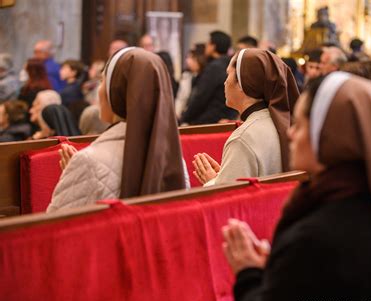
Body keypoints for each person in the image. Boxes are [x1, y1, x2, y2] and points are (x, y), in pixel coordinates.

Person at [222, 72, 371, 301]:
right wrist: (280, 270)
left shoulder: (314, 237)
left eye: (300, 126)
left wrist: (248, 273)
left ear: (329, 136)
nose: (290, 133)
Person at [47, 48, 188, 212]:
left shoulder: (87, 162)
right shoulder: (173, 158)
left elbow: (54, 230)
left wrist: (76, 175)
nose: (99, 91)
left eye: (102, 82)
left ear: (118, 93)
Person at [192, 48, 298, 186]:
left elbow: (231, 201)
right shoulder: (284, 124)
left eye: (228, 75)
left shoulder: (243, 138)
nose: (225, 83)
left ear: (243, 83)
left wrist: (212, 183)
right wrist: (224, 176)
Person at [180, 31, 238, 125]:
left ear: (213, 46)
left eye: (208, 43)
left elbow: (201, 97)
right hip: (225, 118)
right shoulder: (230, 64)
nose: (206, 47)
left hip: (210, 120)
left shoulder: (214, 67)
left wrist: (184, 118)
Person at [175, 44, 207, 119]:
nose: (188, 60)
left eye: (191, 57)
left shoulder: (204, 77)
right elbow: (181, 97)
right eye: (188, 57)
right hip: (182, 113)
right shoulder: (186, 75)